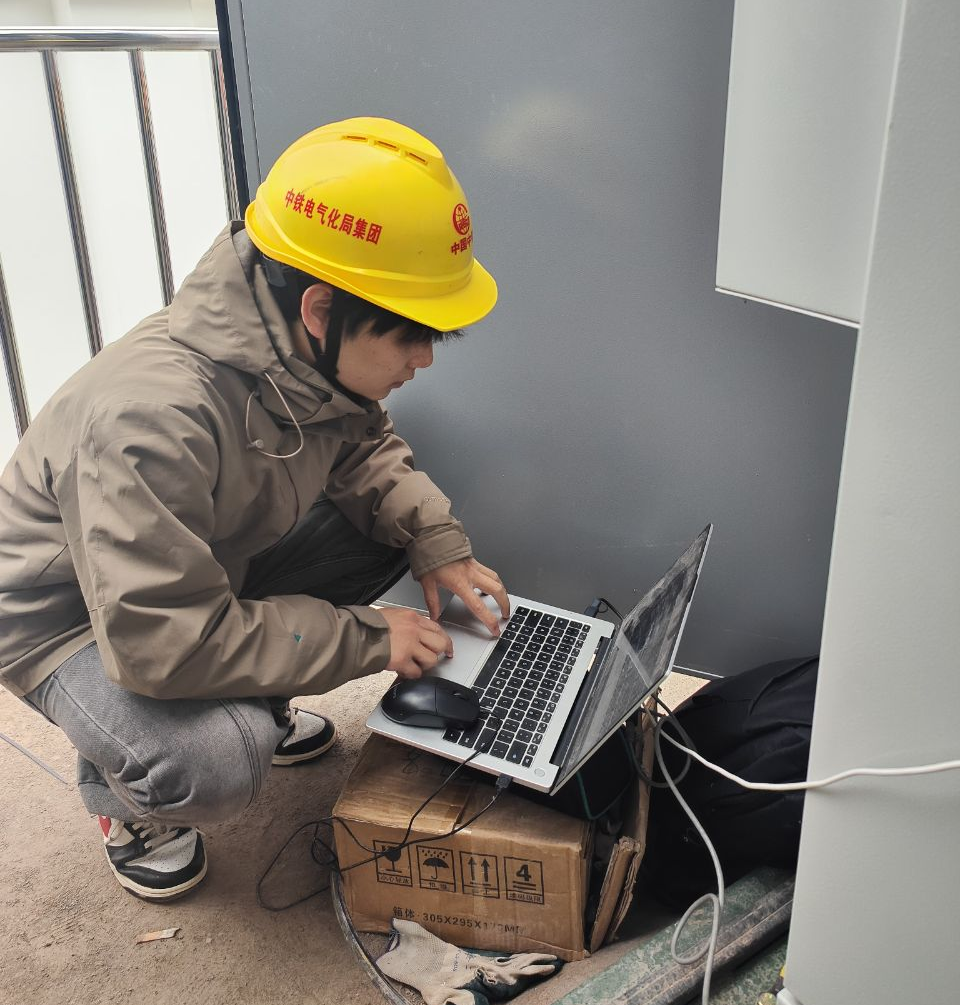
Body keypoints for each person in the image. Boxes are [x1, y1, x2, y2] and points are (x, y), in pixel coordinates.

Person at [0, 117, 509, 901]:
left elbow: (361, 447)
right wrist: (368, 637)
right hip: (71, 620)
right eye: (410, 333)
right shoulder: (151, 418)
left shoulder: (298, 350)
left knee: (387, 534)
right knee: (218, 758)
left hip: (192, 570)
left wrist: (436, 539)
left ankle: (251, 693)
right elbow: (161, 641)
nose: (423, 358)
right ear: (320, 309)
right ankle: (125, 794)